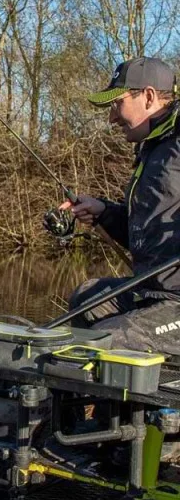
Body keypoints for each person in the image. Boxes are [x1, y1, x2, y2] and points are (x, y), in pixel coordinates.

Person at [60, 56, 180, 356]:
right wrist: (104, 212)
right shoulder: (152, 149)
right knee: (86, 300)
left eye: (118, 104)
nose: (112, 118)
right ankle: (85, 402)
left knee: (108, 339)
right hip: (154, 292)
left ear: (149, 96)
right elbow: (148, 237)